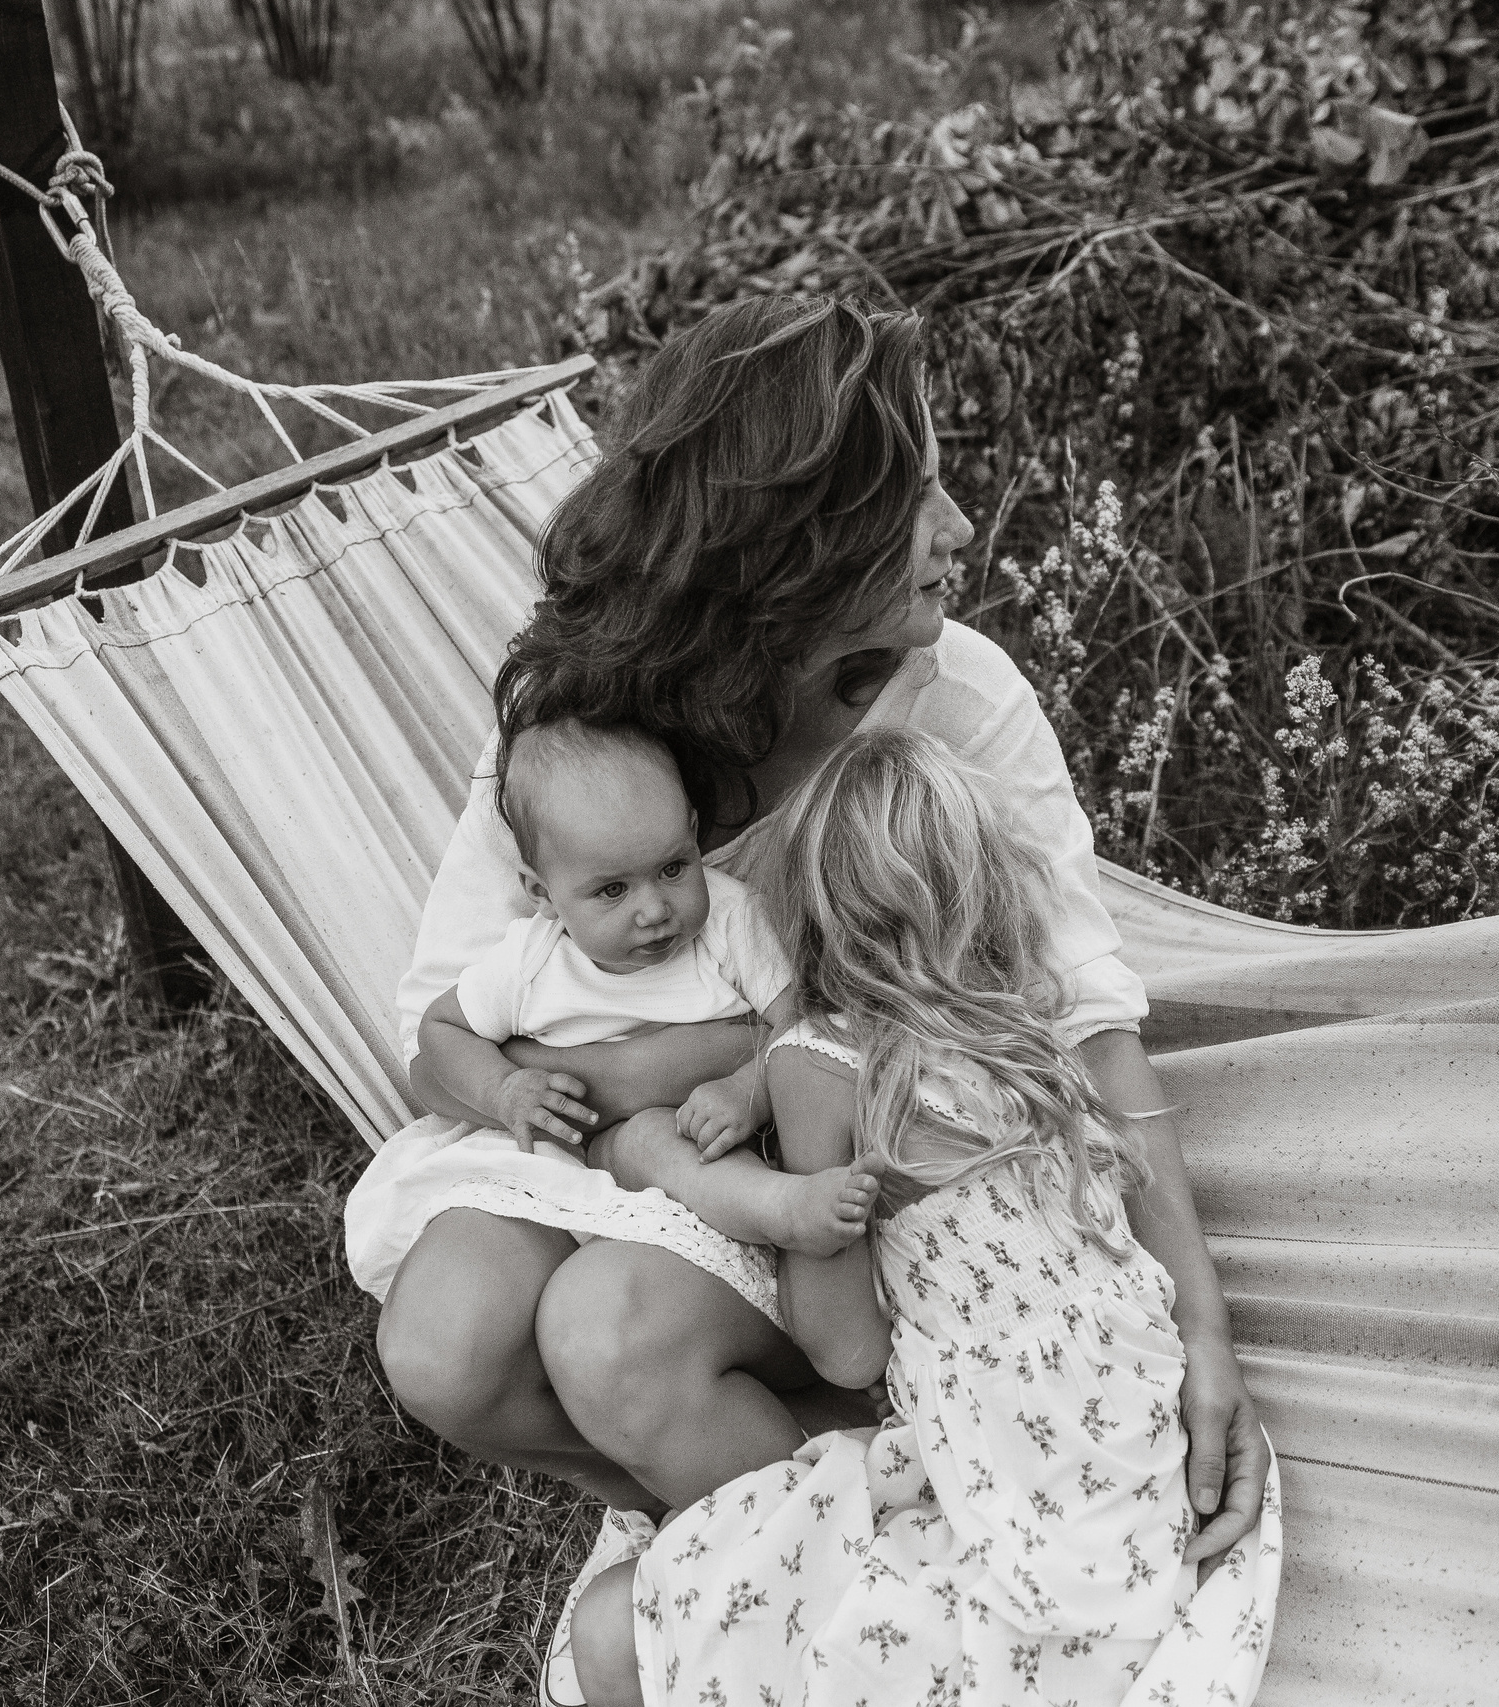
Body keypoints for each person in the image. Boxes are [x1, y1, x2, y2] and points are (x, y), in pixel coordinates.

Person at [364, 295, 1269, 1704]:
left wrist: (1202, 1336)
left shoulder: (957, 701)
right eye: (914, 498)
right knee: (442, 1338)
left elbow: (1094, 1026)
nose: (963, 527)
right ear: (789, 558)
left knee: (608, 1328)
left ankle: (846, 1564)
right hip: (657, 1142)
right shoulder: (593, 740)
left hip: (855, 1185)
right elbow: (443, 1029)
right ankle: (760, 1517)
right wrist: (711, 1069)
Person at [564, 727, 1281, 1706]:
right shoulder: (1045, 1030)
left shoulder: (823, 1061)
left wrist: (766, 1184)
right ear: (988, 883)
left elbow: (845, 1353)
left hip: (1005, 1477)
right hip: (1133, 1469)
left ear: (808, 917)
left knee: (629, 1625)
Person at [346, 716, 883, 1311]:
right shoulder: (531, 961)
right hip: (589, 1166)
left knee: (655, 1137)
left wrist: (747, 1089)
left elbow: (804, 1024)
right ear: (543, 893)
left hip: (720, 1143)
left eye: (673, 868)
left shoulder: (733, 924)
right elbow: (439, 1031)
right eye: (612, 891)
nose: (654, 909)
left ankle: (781, 1211)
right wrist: (502, 1090)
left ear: (693, 834)